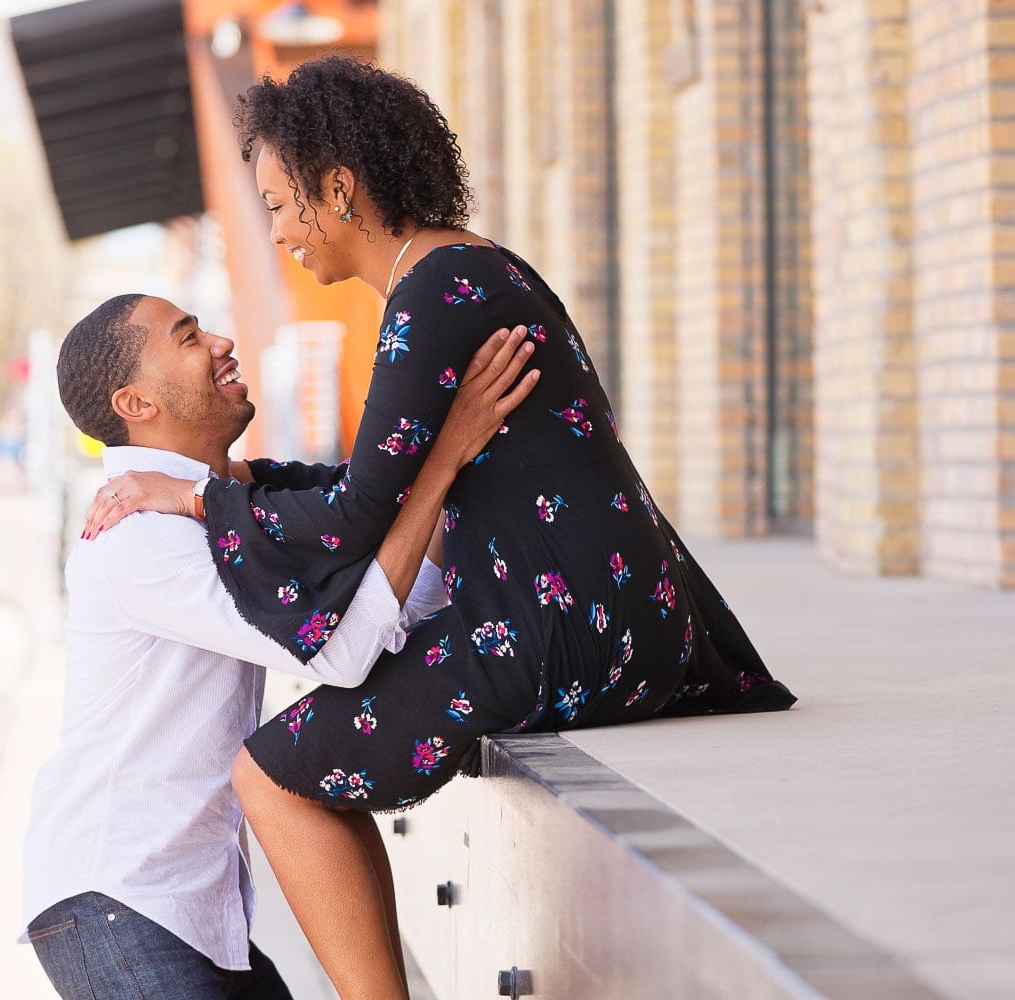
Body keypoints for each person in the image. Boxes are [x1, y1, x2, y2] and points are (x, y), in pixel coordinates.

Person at [83, 57, 797, 1000]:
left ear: (339, 188)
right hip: (617, 617)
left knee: (269, 778)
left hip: (560, 633)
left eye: (283, 204)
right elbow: (379, 482)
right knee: (313, 739)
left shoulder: (434, 294)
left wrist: (202, 498)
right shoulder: (466, 272)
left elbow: (355, 515)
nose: (282, 232)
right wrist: (253, 478)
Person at [23, 292, 539, 1000]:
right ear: (136, 402)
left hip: (177, 907)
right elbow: (345, 653)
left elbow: (396, 602)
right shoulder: (139, 538)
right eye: (187, 337)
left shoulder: (213, 505)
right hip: (118, 902)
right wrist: (443, 460)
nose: (220, 342)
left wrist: (451, 475)